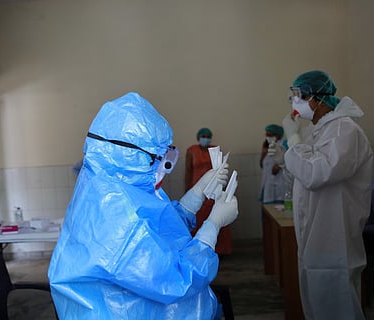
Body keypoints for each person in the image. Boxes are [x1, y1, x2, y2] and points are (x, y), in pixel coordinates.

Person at [48, 92, 238, 320]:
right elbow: (176, 280)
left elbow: (158, 228)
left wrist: (195, 196)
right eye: (157, 156)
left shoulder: (114, 187)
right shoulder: (112, 212)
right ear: (129, 154)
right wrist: (213, 226)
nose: (162, 165)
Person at [282, 70, 373, 319]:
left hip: (335, 236)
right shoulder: (322, 130)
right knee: (321, 303)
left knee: (338, 304)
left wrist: (293, 139)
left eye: (299, 96)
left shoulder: (345, 130)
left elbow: (316, 174)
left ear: (318, 98)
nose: (294, 102)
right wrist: (293, 145)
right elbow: (302, 174)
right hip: (318, 233)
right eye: (292, 96)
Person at [185, 128, 233, 256]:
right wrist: (187, 190)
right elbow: (188, 171)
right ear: (198, 137)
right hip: (198, 190)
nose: (205, 139)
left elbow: (221, 170)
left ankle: (220, 251)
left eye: (208, 136)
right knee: (199, 220)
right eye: (203, 136)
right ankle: (199, 251)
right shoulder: (192, 151)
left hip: (215, 189)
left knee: (217, 217)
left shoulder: (215, 150)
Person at [259, 124, 286, 204]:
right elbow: (262, 165)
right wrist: (263, 154)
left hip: (278, 187)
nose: (267, 137)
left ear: (277, 135)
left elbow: (286, 162)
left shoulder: (283, 145)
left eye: (270, 135)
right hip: (267, 186)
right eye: (266, 135)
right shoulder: (267, 147)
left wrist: (279, 166)